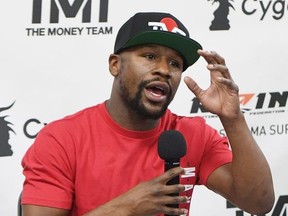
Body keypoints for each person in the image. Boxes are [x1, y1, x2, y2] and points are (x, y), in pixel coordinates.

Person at [21, 12, 274, 216]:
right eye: (150, 56)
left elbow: (258, 203)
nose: (164, 70)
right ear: (115, 64)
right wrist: (126, 209)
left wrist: (233, 119)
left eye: (175, 63)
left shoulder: (191, 134)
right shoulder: (61, 139)